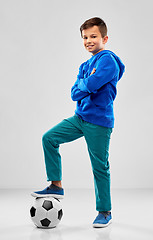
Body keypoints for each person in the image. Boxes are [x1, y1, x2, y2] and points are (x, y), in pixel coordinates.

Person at [31, 17, 125, 228]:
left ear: (105, 38)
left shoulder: (108, 60)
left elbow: (91, 84)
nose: (88, 41)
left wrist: (87, 83)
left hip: (99, 122)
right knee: (49, 138)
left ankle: (104, 211)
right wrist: (87, 82)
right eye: (85, 37)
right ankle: (56, 185)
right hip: (79, 118)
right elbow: (75, 93)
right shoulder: (85, 64)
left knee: (99, 167)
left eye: (93, 36)